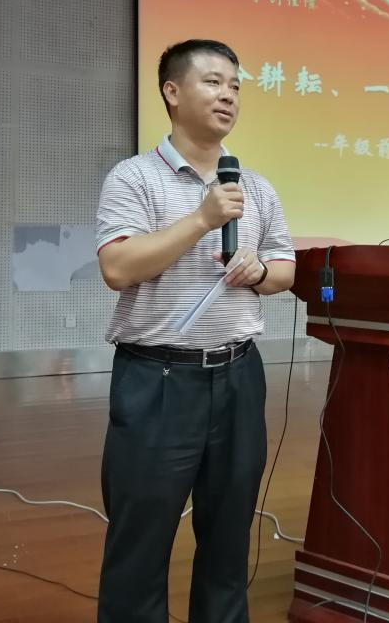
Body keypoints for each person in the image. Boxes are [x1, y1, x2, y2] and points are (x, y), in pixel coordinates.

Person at [94, 39, 296, 623]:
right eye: (212, 82)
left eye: (235, 85)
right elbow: (118, 267)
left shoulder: (255, 187)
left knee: (230, 539)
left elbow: (285, 267)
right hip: (157, 380)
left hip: (239, 375)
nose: (228, 95)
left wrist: (260, 272)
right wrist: (203, 218)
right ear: (172, 91)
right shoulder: (133, 177)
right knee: (140, 542)